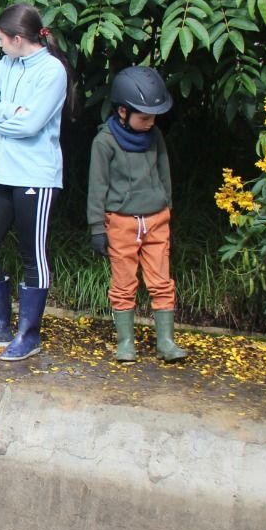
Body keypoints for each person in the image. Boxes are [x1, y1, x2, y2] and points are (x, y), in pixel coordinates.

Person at [0, 2, 71, 361]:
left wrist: (4, 116)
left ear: (19, 39)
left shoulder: (52, 72)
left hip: (36, 175)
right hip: (4, 173)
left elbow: (31, 125)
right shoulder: (6, 64)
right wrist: (10, 112)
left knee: (32, 256)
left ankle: (28, 334)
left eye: (2, 39)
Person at [88, 66, 188, 362]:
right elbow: (97, 187)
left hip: (156, 218)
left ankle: (166, 343)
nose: (150, 122)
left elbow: (164, 173)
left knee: (161, 281)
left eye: (153, 117)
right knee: (123, 283)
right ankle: (126, 342)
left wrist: (166, 207)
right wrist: (97, 228)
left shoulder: (154, 135)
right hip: (121, 222)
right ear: (122, 111)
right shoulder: (104, 142)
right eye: (144, 117)